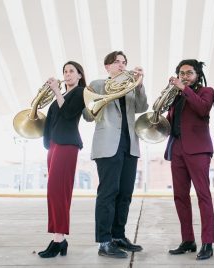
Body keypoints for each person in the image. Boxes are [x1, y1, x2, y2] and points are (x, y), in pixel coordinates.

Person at [83, 51, 148, 258]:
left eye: (124, 62)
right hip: (107, 145)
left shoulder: (130, 87)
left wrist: (139, 85)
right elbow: (87, 115)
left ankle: (118, 236)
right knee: (108, 193)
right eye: (117, 62)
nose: (122, 65)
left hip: (129, 145)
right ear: (107, 66)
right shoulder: (98, 84)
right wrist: (103, 98)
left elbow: (141, 107)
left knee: (125, 194)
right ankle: (104, 241)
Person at [165, 59, 214, 260]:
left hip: (198, 150)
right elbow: (170, 122)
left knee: (203, 195)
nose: (184, 76)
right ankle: (188, 240)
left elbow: (202, 109)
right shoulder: (176, 95)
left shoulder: (206, 91)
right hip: (176, 148)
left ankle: (208, 243)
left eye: (189, 73)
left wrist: (183, 89)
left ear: (197, 74)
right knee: (180, 197)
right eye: (181, 73)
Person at [38, 61, 87, 258]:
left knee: (59, 191)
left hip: (68, 145)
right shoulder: (63, 94)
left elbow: (67, 114)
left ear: (79, 75)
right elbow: (51, 119)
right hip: (55, 145)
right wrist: (48, 143)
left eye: (71, 71)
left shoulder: (81, 92)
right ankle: (60, 239)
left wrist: (57, 90)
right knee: (53, 192)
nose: (67, 74)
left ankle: (58, 240)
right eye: (65, 71)